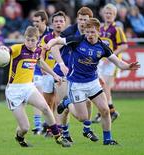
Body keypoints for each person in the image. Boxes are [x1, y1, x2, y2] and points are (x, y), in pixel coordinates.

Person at [44, 18, 140, 145]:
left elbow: (118, 62)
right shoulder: (77, 40)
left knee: (105, 110)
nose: (89, 35)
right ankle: (67, 103)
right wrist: (49, 44)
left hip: (93, 83)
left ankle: (107, 140)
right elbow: (56, 40)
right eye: (87, 32)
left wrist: (128, 66)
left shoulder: (103, 47)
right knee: (82, 117)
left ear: (98, 32)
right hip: (77, 84)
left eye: (92, 32)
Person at [4, 26, 71, 147]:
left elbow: (40, 61)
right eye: (28, 40)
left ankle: (58, 136)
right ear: (24, 39)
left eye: (33, 40)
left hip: (28, 87)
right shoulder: (18, 48)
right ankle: (19, 138)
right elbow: (7, 50)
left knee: (45, 108)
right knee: (25, 128)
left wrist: (54, 75)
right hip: (14, 90)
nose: (30, 43)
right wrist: (2, 49)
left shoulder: (38, 50)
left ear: (38, 40)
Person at [51, 7, 97, 142]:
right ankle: (65, 133)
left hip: (80, 76)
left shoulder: (92, 33)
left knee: (89, 102)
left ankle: (87, 129)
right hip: (63, 74)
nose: (82, 22)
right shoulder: (70, 31)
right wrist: (61, 64)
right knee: (66, 107)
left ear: (91, 21)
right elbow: (54, 47)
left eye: (85, 20)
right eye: (80, 19)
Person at [93, 3, 128, 123]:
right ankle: (110, 111)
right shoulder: (100, 29)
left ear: (115, 15)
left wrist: (111, 55)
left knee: (105, 87)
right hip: (101, 62)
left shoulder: (117, 29)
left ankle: (104, 112)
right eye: (106, 13)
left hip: (112, 62)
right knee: (101, 87)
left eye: (110, 13)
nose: (108, 15)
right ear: (103, 14)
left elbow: (124, 45)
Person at [39, 11, 69, 137]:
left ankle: (59, 129)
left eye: (61, 21)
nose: (58, 23)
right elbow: (40, 53)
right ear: (52, 23)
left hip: (61, 74)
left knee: (59, 102)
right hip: (47, 73)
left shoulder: (68, 38)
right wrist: (41, 66)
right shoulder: (46, 38)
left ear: (65, 23)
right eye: (56, 21)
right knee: (47, 104)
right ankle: (50, 127)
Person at [32, 10, 53, 135]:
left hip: (50, 70)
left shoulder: (51, 34)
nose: (35, 24)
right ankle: (38, 125)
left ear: (44, 21)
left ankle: (49, 126)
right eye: (33, 21)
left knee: (50, 101)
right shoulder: (32, 34)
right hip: (36, 70)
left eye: (37, 21)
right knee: (37, 95)